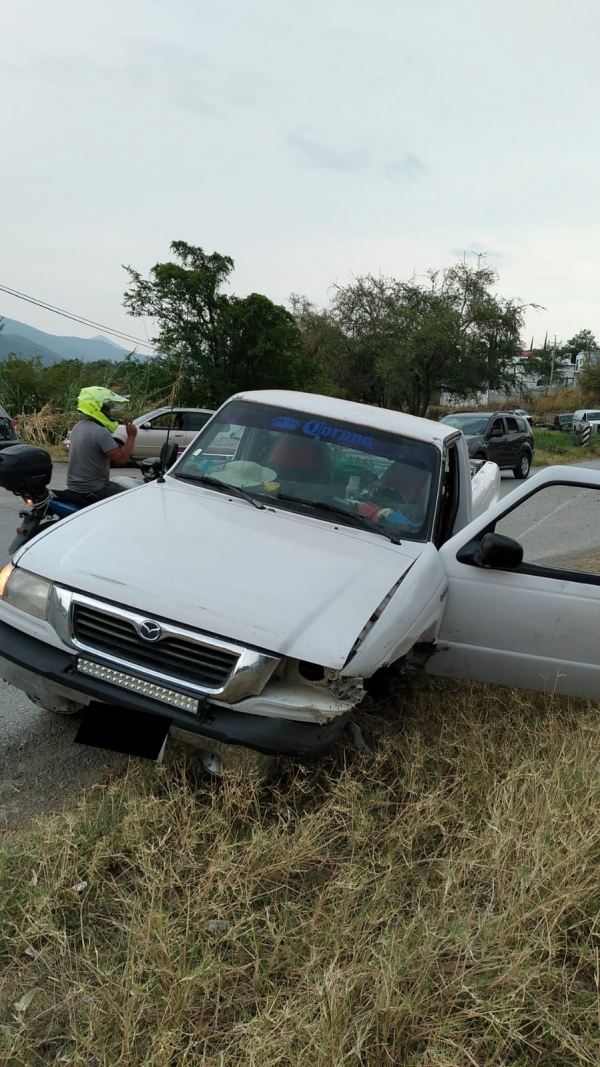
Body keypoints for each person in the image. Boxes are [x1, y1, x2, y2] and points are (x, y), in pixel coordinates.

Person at [67, 387, 137, 501]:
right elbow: (121, 459)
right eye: (107, 410)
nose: (110, 413)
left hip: (74, 487)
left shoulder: (78, 426)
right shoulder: (99, 431)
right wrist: (131, 436)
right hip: (95, 488)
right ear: (96, 408)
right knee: (133, 497)